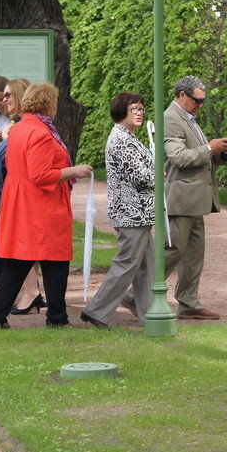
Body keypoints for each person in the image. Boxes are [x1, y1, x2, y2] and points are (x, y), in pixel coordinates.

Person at [122, 75, 227, 320]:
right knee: (171, 250)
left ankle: (189, 302)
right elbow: (178, 157)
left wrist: (219, 154)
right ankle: (133, 294)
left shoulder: (189, 119)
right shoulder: (170, 118)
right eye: (196, 101)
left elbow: (198, 154)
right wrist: (208, 149)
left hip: (195, 199)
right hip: (180, 197)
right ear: (182, 95)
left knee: (194, 254)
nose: (200, 105)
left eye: (203, 101)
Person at [0, 82, 94, 329]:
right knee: (53, 259)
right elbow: (40, 174)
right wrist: (73, 171)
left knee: (20, 259)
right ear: (49, 105)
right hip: (41, 203)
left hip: (22, 200)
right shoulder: (42, 133)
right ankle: (55, 316)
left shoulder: (21, 127)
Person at [81, 93, 154, 328]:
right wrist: (161, 174)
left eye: (141, 108)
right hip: (132, 213)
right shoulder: (122, 139)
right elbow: (141, 176)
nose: (139, 112)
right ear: (122, 110)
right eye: (134, 108)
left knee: (147, 265)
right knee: (128, 262)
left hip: (138, 212)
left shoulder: (128, 137)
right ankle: (97, 310)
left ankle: (150, 314)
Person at [0, 78, 46, 315]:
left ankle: (31, 294)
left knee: (18, 249)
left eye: (9, 95)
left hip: (17, 197)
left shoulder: (23, 128)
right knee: (16, 249)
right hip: (8, 195)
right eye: (2, 96)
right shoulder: (15, 126)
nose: (4, 100)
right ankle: (30, 294)